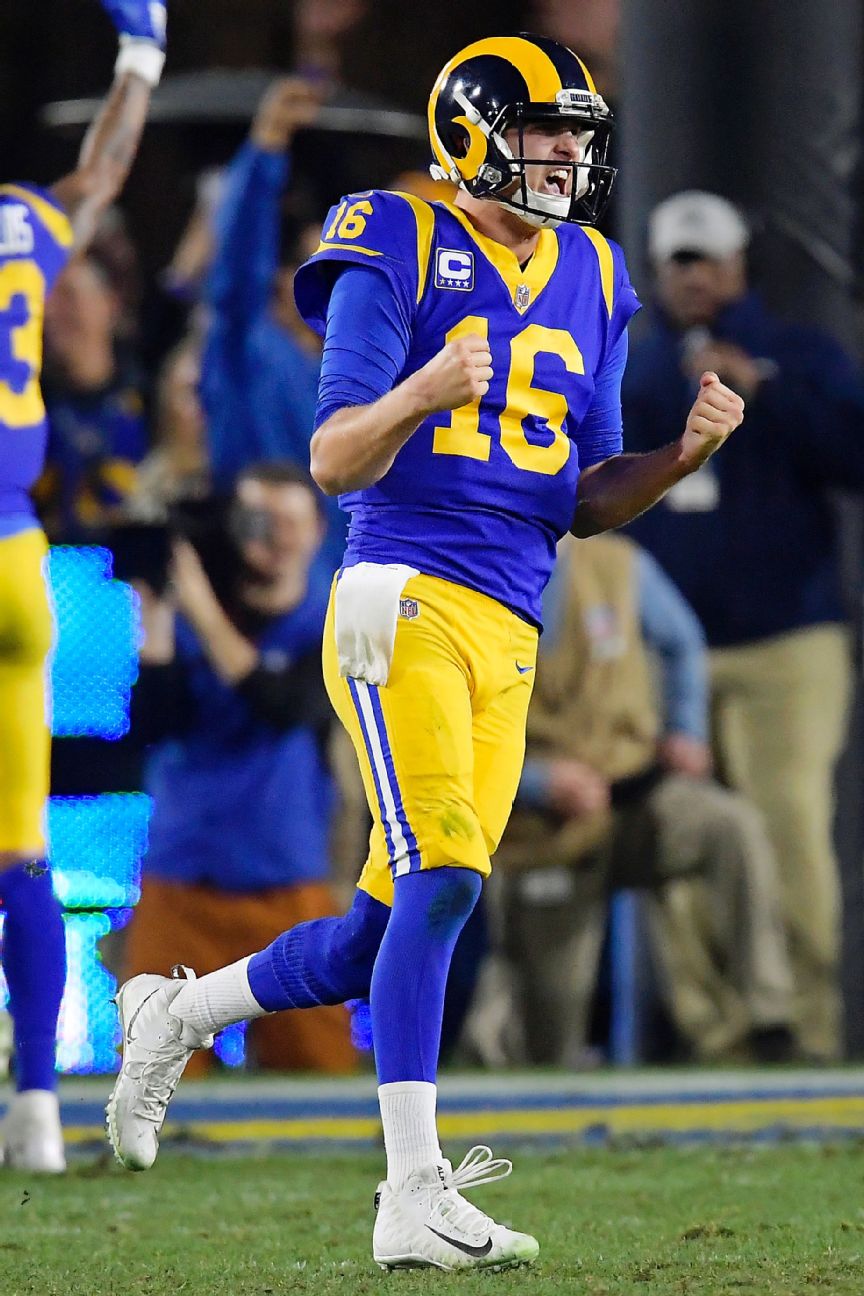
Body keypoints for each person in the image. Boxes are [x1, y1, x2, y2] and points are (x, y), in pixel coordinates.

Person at [106, 35, 744, 1271]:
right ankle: (412, 1192)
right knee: (448, 870)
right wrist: (422, 392)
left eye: (577, 132)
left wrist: (682, 457)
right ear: (472, 130)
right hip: (399, 590)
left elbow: (582, 498)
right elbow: (333, 456)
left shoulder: (597, 272)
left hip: (512, 615)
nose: (568, 152)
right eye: (545, 128)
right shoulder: (392, 238)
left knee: (377, 928)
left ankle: (174, 1011)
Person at [623, 190, 864, 1061]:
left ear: (738, 264)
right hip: (667, 651)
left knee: (788, 825)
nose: (693, 277)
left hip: (786, 642)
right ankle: (716, 1035)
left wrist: (770, 390)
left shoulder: (798, 354)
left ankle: (806, 1025)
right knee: (680, 838)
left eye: (706, 259)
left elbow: (853, 454)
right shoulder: (637, 370)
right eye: (678, 262)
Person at [0, 0, 167, 1172]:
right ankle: (37, 1110)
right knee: (19, 854)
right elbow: (103, 172)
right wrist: (141, 57)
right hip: (19, 561)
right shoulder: (20, 223)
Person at [495, 532, 795, 1066]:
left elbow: (681, 640)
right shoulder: (467, 583)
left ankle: (768, 1014)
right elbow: (447, 727)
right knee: (552, 1017)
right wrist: (535, 781)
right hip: (538, 826)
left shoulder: (618, 566)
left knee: (729, 826)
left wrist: (686, 729)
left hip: (636, 793)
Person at [121, 463, 356, 1075]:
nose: (271, 537)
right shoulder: (188, 611)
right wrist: (160, 612)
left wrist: (199, 607)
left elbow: (284, 707)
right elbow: (151, 723)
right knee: (148, 1078)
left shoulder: (330, 616)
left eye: (289, 521)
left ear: (314, 533)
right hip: (184, 876)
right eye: (256, 519)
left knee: (319, 1080)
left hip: (285, 878)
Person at [200, 77, 347, 574]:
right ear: (285, 281)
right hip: (255, 597)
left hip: (349, 616)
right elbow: (236, 273)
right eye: (322, 269)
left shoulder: (370, 376)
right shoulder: (249, 348)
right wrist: (266, 149)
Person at [38, 249, 149, 541]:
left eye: (68, 296)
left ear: (110, 304)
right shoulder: (25, 403)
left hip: (134, 572)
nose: (50, 312)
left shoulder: (152, 396)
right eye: (46, 299)